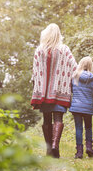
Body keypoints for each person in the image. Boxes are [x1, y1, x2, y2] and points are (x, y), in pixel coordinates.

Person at [31, 23, 77, 158]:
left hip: (44, 92)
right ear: (58, 34)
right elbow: (74, 67)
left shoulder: (39, 50)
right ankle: (55, 146)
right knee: (58, 118)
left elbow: (35, 71)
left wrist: (37, 86)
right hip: (60, 91)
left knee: (46, 119)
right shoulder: (64, 49)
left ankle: (48, 151)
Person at [69, 56, 93, 159]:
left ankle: (79, 152)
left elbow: (72, 90)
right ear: (91, 66)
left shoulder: (74, 76)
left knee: (78, 128)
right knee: (88, 127)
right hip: (87, 107)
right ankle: (89, 148)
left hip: (76, 107)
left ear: (80, 64)